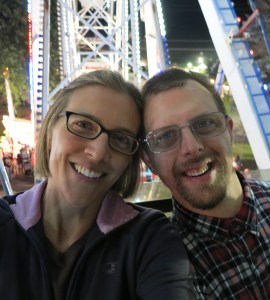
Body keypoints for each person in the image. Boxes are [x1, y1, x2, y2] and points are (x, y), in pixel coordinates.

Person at [0, 70, 196, 300]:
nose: (98, 153)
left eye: (121, 139)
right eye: (83, 125)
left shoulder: (149, 238)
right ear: (51, 128)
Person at [141, 68, 270, 299]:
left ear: (229, 130)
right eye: (165, 137)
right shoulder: (158, 269)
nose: (192, 147)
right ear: (149, 163)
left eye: (204, 123)